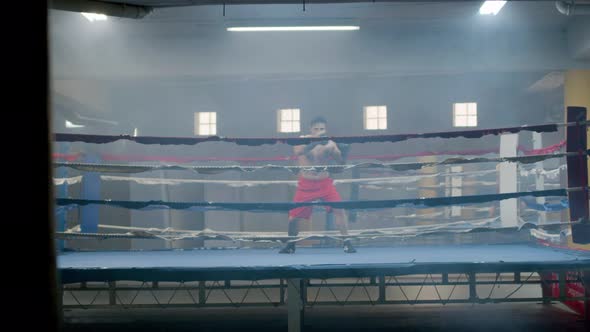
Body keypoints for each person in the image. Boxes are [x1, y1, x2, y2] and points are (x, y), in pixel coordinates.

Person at [279, 116, 356, 254]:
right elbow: (298, 152)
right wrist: (315, 143)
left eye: (322, 129)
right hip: (306, 183)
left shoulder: (330, 144)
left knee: (340, 210)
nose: (319, 131)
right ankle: (290, 244)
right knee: (294, 216)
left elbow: (341, 165)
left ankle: (347, 242)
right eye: (316, 129)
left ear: (325, 130)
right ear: (311, 129)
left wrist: (343, 152)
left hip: (324, 182)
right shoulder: (301, 140)